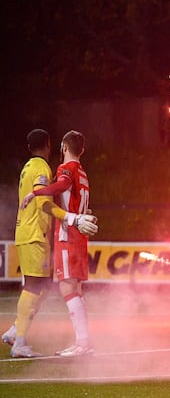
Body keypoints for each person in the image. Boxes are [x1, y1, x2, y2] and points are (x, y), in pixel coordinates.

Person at [20, 130, 98, 357]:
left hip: (68, 234)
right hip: (80, 234)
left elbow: (62, 185)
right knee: (75, 288)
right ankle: (83, 342)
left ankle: (83, 343)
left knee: (67, 287)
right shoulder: (83, 172)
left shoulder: (66, 169)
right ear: (81, 150)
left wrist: (37, 193)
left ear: (64, 148)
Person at [2, 129, 55, 358]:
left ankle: (15, 330)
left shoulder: (27, 167)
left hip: (26, 232)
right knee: (33, 285)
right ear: (48, 145)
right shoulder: (42, 168)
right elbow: (43, 203)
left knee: (44, 285)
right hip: (35, 234)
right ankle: (20, 342)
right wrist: (70, 218)